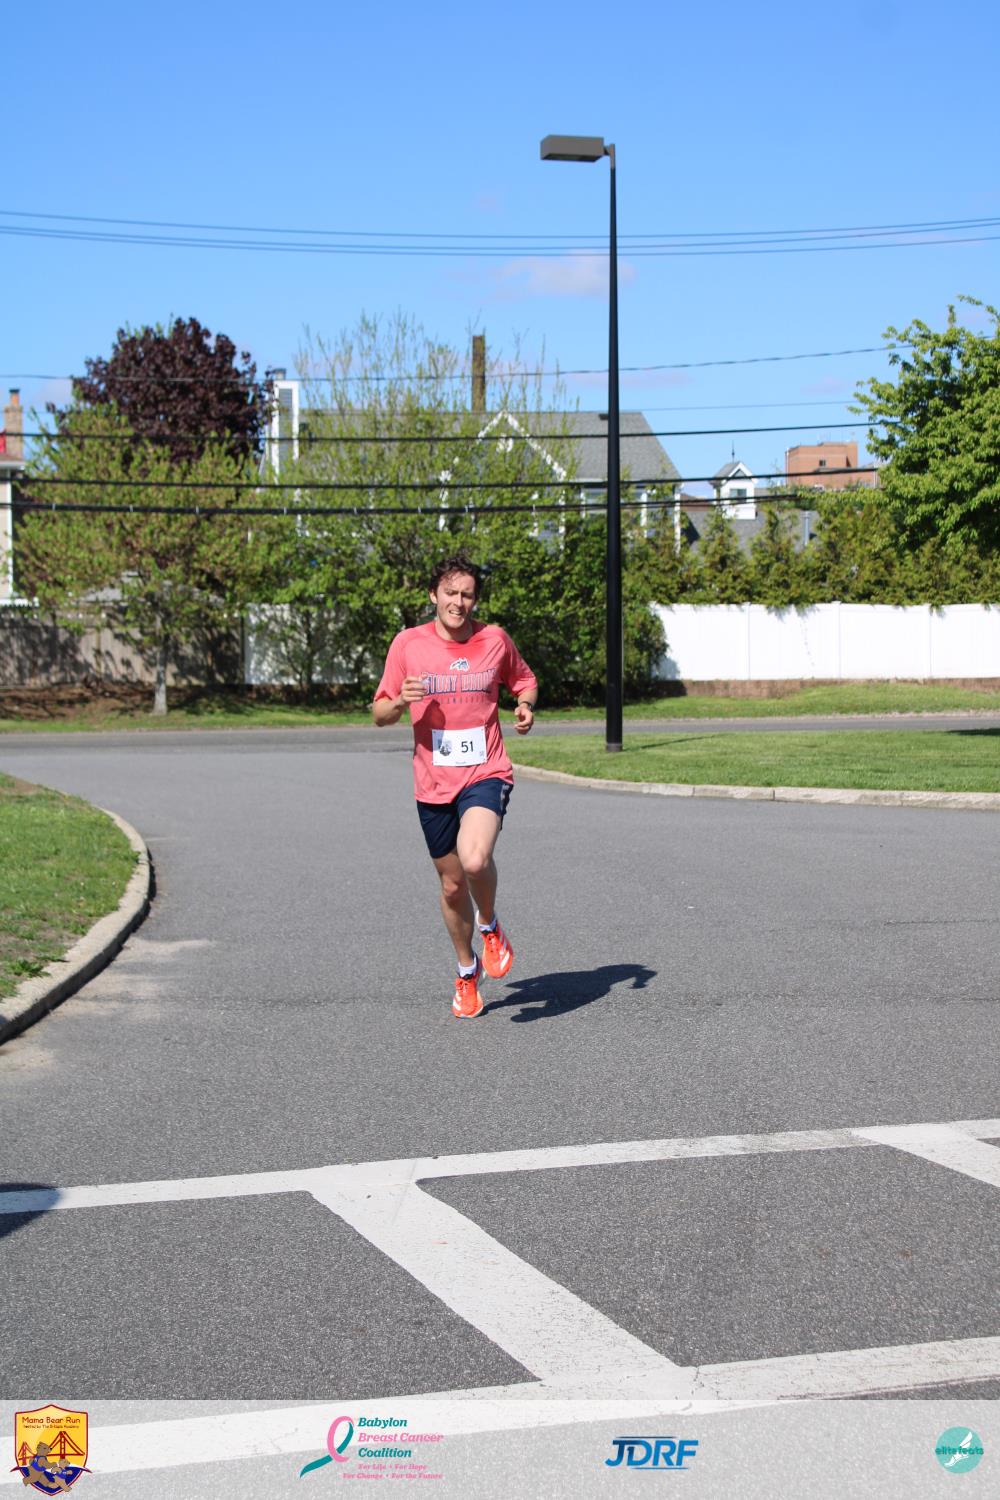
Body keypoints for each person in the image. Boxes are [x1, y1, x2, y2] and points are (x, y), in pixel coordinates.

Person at [373, 555, 538, 1018]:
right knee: (450, 886)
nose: (458, 602)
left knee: (474, 859)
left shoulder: (494, 639)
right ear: (434, 595)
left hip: (485, 771)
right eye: (450, 593)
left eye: (466, 595)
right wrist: (399, 702)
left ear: (475, 600)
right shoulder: (408, 644)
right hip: (432, 783)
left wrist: (525, 705)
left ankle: (490, 925)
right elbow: (380, 713)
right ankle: (467, 971)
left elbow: (524, 680)